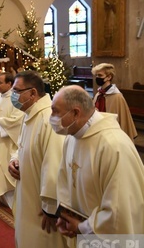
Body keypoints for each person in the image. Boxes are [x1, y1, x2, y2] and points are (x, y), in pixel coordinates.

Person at [51, 85, 144, 239]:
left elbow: (120, 210)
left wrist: (82, 227)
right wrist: (66, 215)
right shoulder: (71, 137)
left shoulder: (113, 146)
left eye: (55, 111)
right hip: (83, 236)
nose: (52, 117)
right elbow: (64, 181)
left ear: (75, 113)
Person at [8, 70, 67, 247]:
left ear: (33, 93)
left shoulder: (48, 119)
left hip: (42, 208)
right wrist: (14, 160)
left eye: (17, 91)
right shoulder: (30, 114)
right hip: (28, 195)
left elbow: (54, 164)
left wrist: (50, 210)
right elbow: (22, 147)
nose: (13, 96)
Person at [0, 72, 23, 209]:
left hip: (8, 143)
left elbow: (18, 119)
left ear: (9, 84)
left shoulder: (16, 99)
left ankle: (14, 200)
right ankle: (3, 197)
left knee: (8, 169)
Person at [92, 63, 137, 140]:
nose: (97, 78)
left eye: (100, 75)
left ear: (109, 77)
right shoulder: (98, 94)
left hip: (112, 135)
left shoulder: (117, 97)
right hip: (98, 132)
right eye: (96, 75)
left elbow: (123, 121)